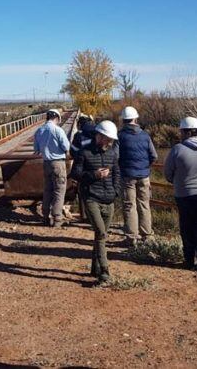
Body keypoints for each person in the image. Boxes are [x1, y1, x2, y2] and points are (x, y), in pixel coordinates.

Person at [163, 117, 197, 274]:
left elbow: (168, 173)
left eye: (181, 131)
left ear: (186, 132)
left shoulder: (177, 149)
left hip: (184, 194)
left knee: (187, 227)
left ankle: (188, 259)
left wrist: (178, 182)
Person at [70, 120, 121, 287]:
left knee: (100, 236)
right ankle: (105, 272)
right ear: (99, 136)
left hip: (109, 199)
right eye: (107, 139)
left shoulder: (112, 153)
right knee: (101, 233)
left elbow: (116, 174)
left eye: (111, 140)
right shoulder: (84, 153)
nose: (110, 142)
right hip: (91, 198)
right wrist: (94, 175)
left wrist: (116, 191)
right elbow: (75, 174)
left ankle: (95, 267)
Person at [117, 106, 157, 246]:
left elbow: (116, 156)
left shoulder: (120, 136)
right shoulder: (145, 135)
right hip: (144, 175)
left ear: (124, 120)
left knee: (129, 205)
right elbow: (154, 156)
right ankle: (147, 235)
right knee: (144, 204)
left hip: (127, 176)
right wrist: (145, 166)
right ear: (135, 119)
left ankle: (131, 237)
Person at [33, 109, 71, 228]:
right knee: (59, 190)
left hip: (46, 163)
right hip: (58, 163)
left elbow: (36, 150)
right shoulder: (57, 130)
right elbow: (66, 146)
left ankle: (45, 216)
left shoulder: (39, 130)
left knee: (48, 190)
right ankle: (57, 218)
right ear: (57, 118)